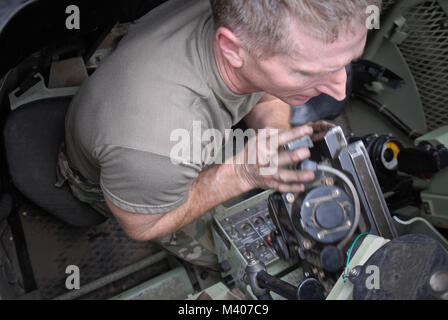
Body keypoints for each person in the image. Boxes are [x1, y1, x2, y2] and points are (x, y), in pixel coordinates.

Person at [59, 0, 380, 270]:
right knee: (244, 253)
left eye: (347, 62)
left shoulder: (246, 22)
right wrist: (240, 174)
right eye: (309, 72)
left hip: (142, 107)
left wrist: (279, 136)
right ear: (232, 49)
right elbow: (142, 225)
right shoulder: (154, 151)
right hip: (132, 184)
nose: (339, 89)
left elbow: (261, 92)